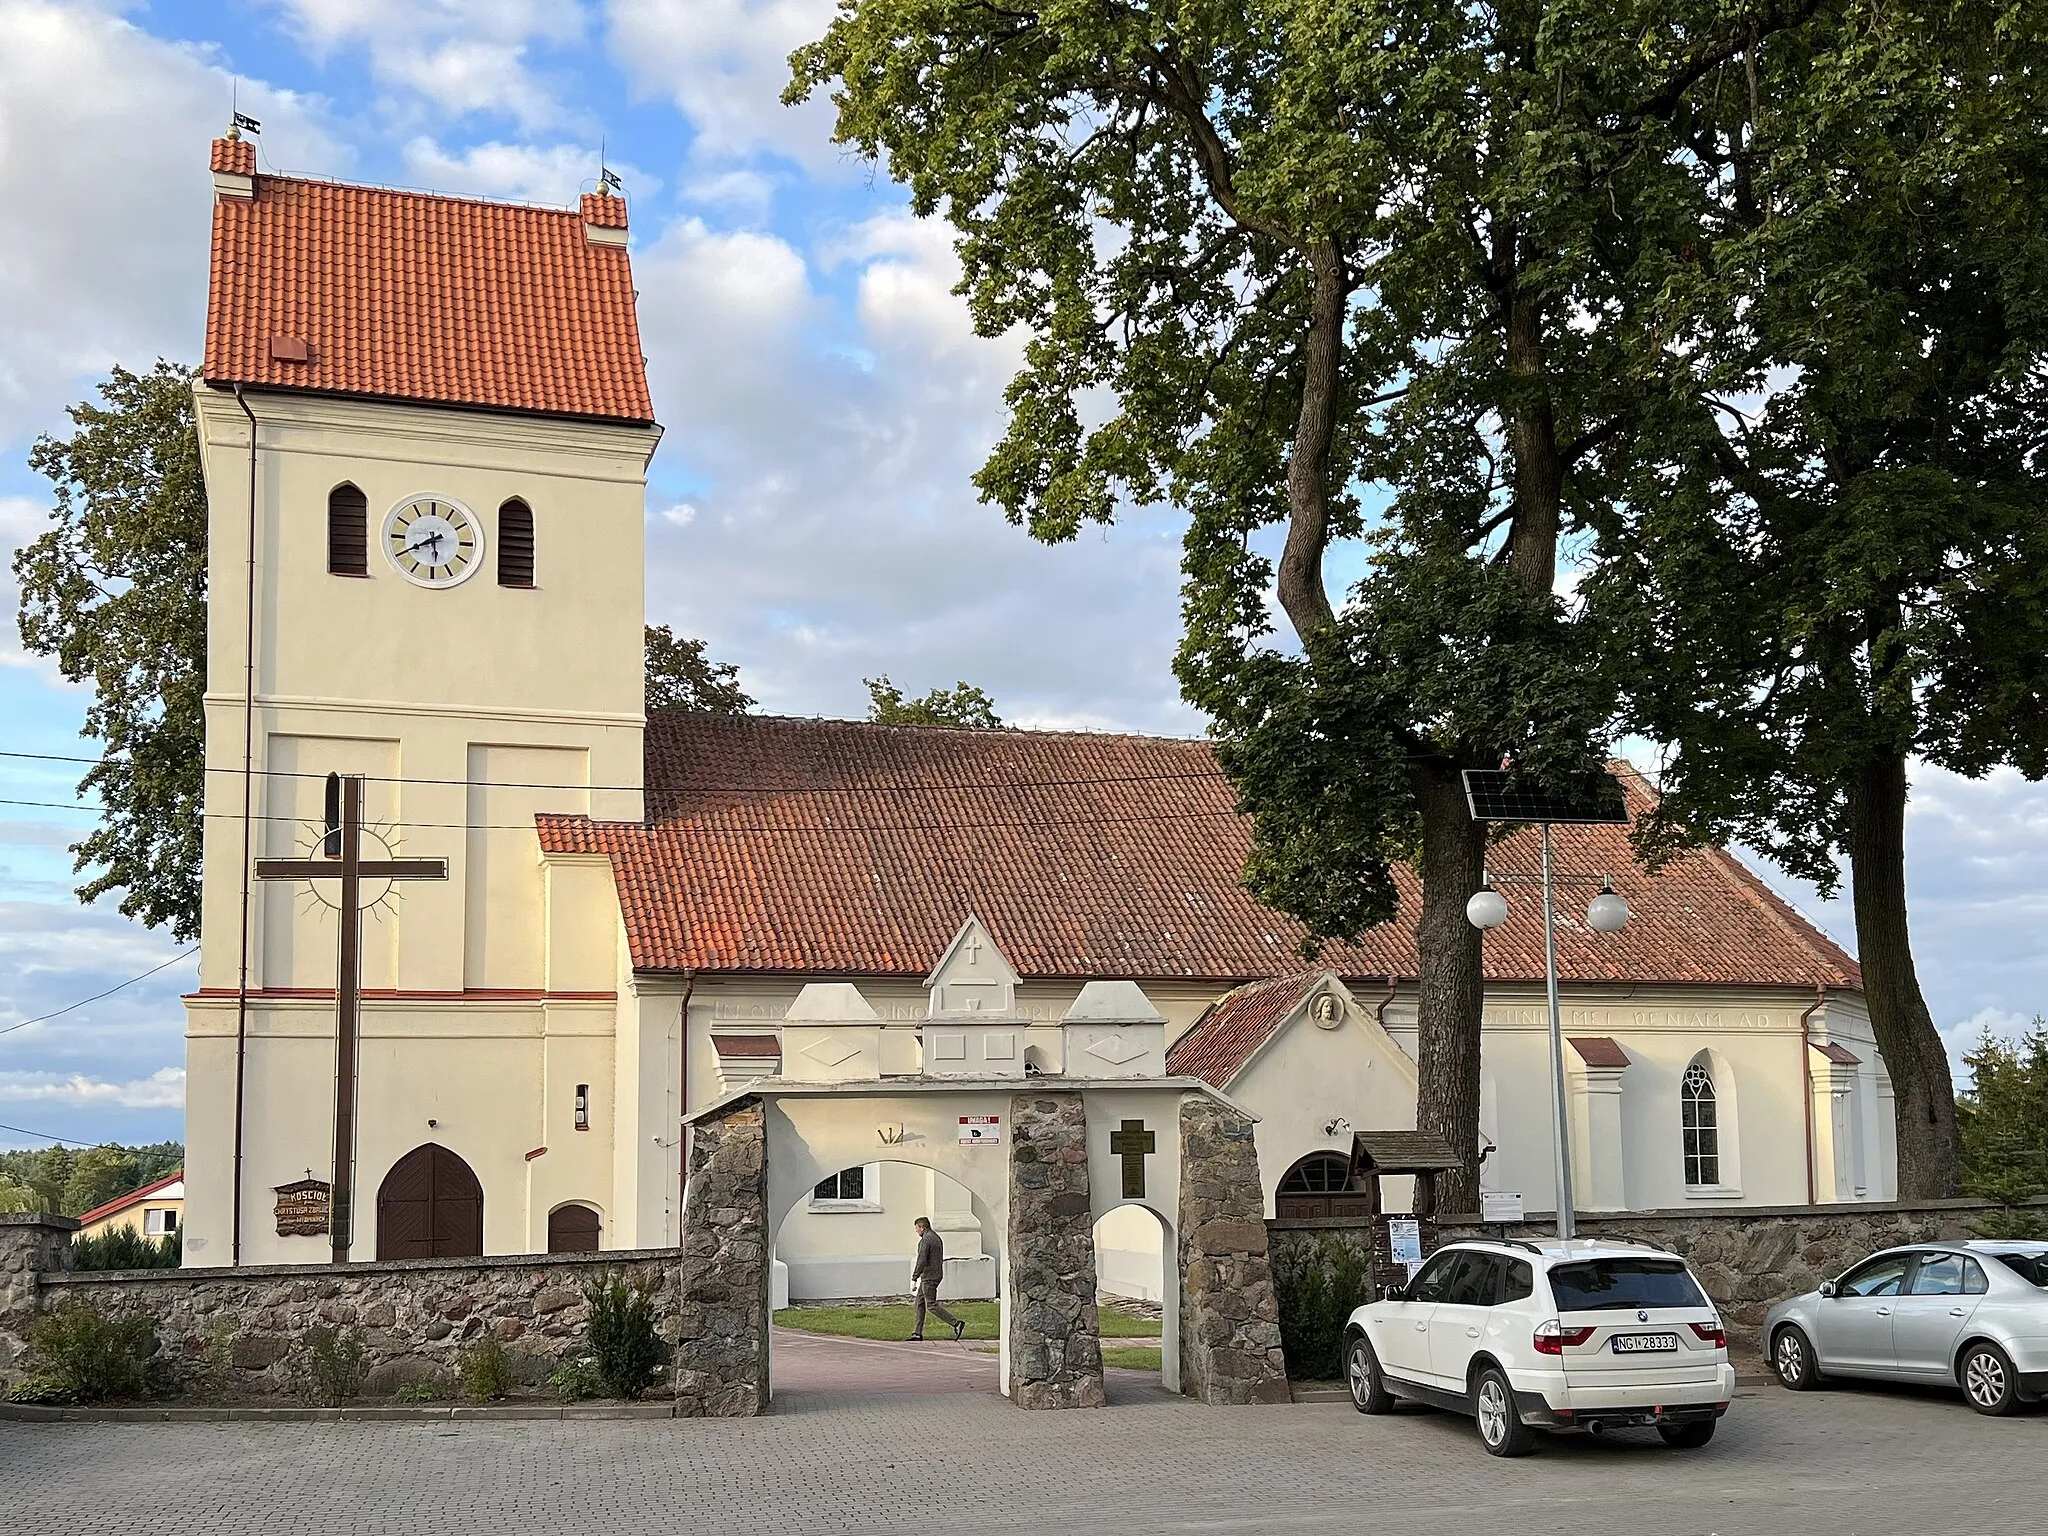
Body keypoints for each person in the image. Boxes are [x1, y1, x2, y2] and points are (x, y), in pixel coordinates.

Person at [909, 1216, 965, 1341]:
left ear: (922, 1227)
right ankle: (917, 1333)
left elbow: (922, 1259)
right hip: (933, 1274)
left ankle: (956, 1323)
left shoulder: (926, 1240)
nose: (916, 1231)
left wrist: (914, 1277)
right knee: (920, 1303)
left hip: (929, 1277)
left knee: (931, 1305)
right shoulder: (935, 1237)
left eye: (917, 1228)